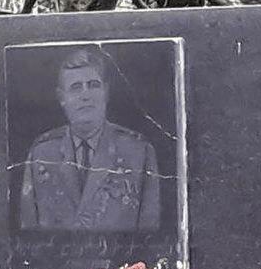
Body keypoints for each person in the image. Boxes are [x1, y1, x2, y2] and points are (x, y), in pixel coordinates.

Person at [19, 46, 160, 231]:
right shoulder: (42, 153)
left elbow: (150, 230)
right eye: (76, 87)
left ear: (106, 92)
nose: (85, 95)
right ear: (62, 97)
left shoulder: (137, 152)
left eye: (93, 85)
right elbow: (28, 230)